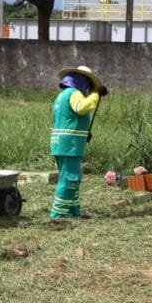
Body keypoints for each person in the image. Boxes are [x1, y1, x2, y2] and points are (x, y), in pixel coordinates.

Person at [49, 65, 108, 219]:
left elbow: (67, 120)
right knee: (70, 179)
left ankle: (73, 212)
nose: (88, 89)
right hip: (70, 146)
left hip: (61, 144)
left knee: (71, 178)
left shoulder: (61, 96)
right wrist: (96, 94)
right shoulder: (74, 94)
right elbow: (81, 108)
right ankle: (58, 215)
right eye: (88, 85)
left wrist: (84, 134)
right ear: (82, 81)